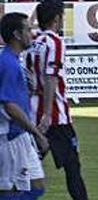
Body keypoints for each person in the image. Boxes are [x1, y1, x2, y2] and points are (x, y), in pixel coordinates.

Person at [25, 0, 89, 199]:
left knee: (26, 165)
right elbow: (51, 77)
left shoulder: (32, 40)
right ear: (56, 18)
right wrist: (47, 114)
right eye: (61, 16)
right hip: (55, 116)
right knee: (73, 167)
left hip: (31, 112)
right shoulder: (55, 42)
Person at [0, 12, 49, 199]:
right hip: (10, 136)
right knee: (10, 191)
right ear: (17, 35)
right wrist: (36, 133)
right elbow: (10, 106)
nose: (32, 33)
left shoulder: (13, 61)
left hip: (21, 135)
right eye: (28, 29)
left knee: (36, 187)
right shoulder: (8, 63)